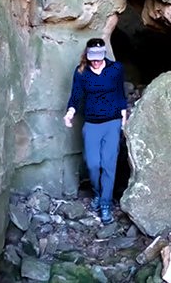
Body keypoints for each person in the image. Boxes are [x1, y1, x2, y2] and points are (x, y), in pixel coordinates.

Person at [64, 37, 127, 224]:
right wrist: (70, 113)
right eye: (93, 57)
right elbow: (76, 96)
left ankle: (105, 204)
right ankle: (98, 193)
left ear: (104, 54)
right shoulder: (81, 72)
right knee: (92, 164)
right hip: (92, 123)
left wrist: (124, 116)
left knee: (108, 164)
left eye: (99, 57)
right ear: (87, 55)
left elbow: (120, 93)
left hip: (112, 122)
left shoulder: (115, 69)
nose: (96, 61)